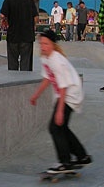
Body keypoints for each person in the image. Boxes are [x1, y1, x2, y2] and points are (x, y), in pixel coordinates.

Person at [30, 29, 92, 173]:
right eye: (41, 44)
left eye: (46, 44)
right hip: (64, 94)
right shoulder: (45, 58)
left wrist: (59, 111)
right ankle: (82, 156)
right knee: (62, 128)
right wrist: (36, 95)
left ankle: (65, 162)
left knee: (55, 127)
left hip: (71, 94)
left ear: (52, 45)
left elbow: (63, 86)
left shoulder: (57, 60)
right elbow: (47, 78)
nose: (43, 47)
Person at [0, 0, 39, 71]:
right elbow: (36, 17)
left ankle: (14, 82)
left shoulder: (9, 0)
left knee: (13, 63)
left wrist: (4, 21)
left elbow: (2, 15)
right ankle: (25, 82)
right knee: (26, 63)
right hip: (27, 36)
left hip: (13, 35)